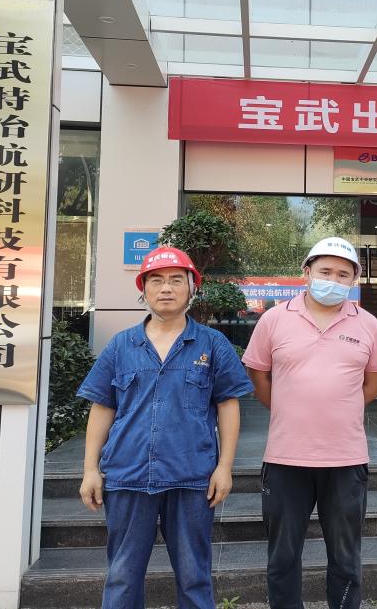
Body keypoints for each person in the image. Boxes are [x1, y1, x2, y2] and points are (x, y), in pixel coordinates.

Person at [76, 246, 254, 609]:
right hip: (128, 474)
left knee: (194, 575)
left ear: (192, 288)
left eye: (176, 280)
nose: (167, 288)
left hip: (192, 476)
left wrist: (225, 467)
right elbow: (102, 406)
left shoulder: (212, 344)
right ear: (143, 289)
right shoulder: (121, 345)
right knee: (122, 575)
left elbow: (228, 405)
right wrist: (90, 469)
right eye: (156, 280)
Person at [242, 236, 377, 609]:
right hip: (285, 458)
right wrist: (290, 407)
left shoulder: (368, 324)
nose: (333, 280)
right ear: (306, 272)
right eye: (325, 271)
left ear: (353, 280)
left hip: (346, 460)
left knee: (346, 557)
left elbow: (373, 384)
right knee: (282, 556)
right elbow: (258, 376)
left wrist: (337, 407)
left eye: (343, 274)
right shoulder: (274, 319)